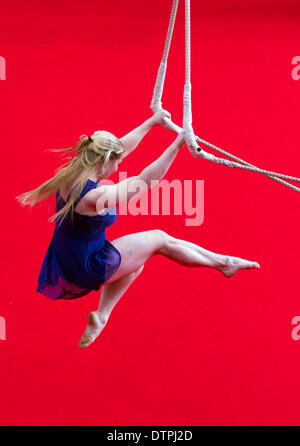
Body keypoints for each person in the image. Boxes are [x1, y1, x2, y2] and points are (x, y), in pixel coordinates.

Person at [16, 109, 260, 349]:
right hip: (88, 264)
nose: (117, 167)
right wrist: (177, 145)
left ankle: (101, 317)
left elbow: (119, 147)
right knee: (160, 239)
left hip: (74, 262)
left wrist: (151, 122)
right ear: (104, 161)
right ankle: (223, 263)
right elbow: (144, 181)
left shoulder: (73, 174)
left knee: (135, 262)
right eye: (116, 163)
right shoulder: (96, 196)